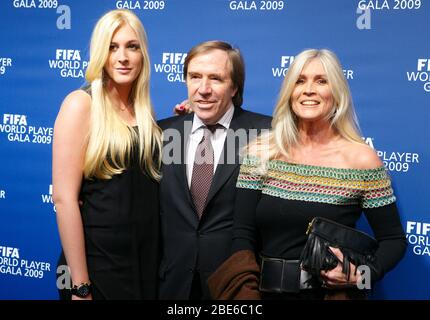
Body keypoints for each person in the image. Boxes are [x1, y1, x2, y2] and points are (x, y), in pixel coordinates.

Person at [208, 49, 407, 300]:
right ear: (290, 91)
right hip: (260, 294)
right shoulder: (261, 152)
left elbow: (394, 240)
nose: (309, 89)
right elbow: (242, 236)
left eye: (321, 81)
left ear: (336, 92)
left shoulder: (362, 160)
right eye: (300, 81)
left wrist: (362, 275)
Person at [52, 9, 162, 300]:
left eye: (132, 46)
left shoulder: (144, 112)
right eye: (112, 47)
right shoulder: (81, 104)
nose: (122, 57)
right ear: (100, 53)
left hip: (144, 263)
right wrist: (80, 284)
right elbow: (64, 200)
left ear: (143, 54)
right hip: (98, 266)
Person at [158, 40, 272, 300]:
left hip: (235, 286)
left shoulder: (265, 134)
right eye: (195, 77)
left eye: (216, 79)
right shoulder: (162, 133)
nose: (203, 89)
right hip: (172, 286)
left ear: (234, 86)